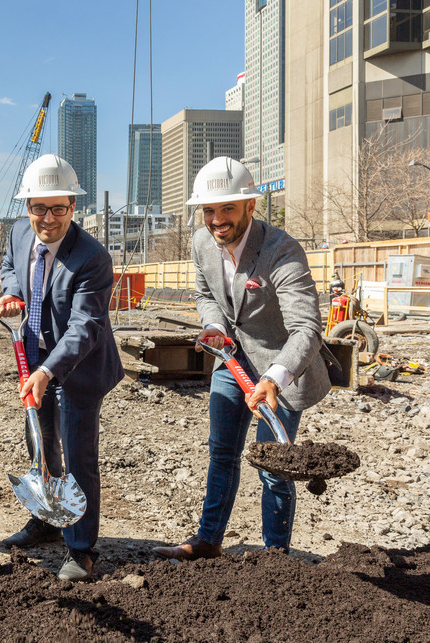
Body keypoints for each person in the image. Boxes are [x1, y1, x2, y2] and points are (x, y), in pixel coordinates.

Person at [153, 157, 331, 561]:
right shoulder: (202, 243)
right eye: (210, 210)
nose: (217, 219)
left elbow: (306, 328)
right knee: (222, 453)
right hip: (231, 361)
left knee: (274, 466)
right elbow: (204, 294)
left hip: (281, 367)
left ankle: (274, 557)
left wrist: (275, 377)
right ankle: (208, 541)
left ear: (251, 206)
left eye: (228, 209)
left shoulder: (281, 251)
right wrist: (213, 324)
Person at [0, 154, 124, 582]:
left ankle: (82, 548)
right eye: (39, 208)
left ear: (74, 207)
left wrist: (49, 371)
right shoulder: (17, 233)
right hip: (32, 359)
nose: (48, 219)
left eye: (59, 209)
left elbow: (85, 326)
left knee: (78, 455)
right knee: (41, 443)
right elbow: (10, 270)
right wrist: (11, 293)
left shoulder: (91, 258)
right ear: (26, 206)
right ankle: (46, 521)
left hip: (78, 369)